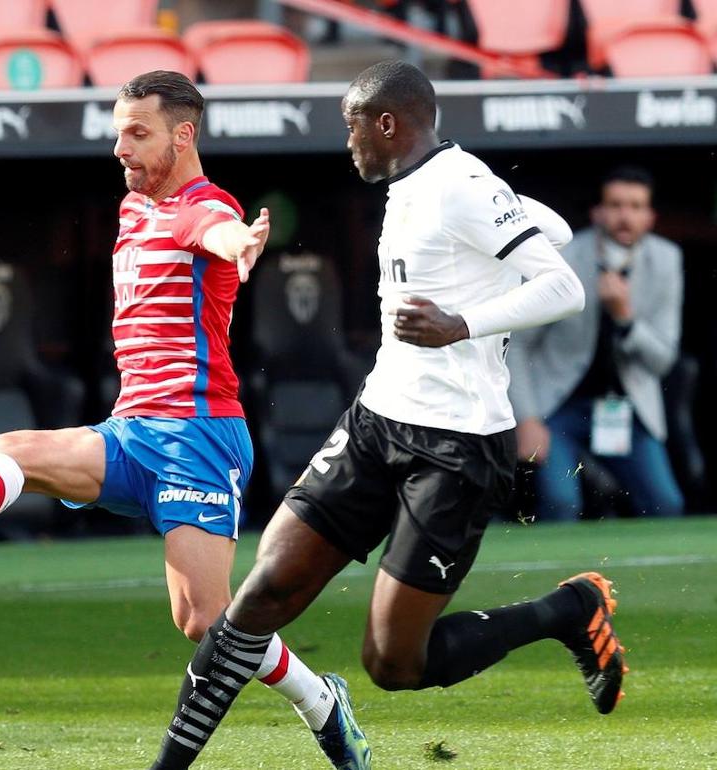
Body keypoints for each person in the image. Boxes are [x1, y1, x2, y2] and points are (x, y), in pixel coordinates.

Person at [0, 71, 369, 768]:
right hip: (132, 431)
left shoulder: (203, 206)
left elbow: (218, 231)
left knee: (205, 622)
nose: (120, 147)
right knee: (10, 450)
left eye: (137, 133)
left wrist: (241, 245)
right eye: (117, 132)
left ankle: (321, 701)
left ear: (184, 136)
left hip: (197, 437)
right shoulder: (133, 208)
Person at [145, 61, 626, 770]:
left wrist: (461, 323)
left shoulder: (461, 186)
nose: (348, 142)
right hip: (377, 422)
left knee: (393, 662)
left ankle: (568, 610)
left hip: (459, 448)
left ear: (389, 124)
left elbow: (564, 287)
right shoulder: (418, 185)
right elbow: (534, 226)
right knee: (258, 597)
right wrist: (518, 220)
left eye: (352, 126)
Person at [509, 166, 685, 521]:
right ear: (598, 212)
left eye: (636, 207)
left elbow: (663, 361)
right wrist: (526, 418)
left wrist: (625, 319)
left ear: (650, 217)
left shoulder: (666, 260)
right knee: (561, 502)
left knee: (666, 503)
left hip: (628, 409)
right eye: (616, 205)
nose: (625, 216)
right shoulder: (565, 256)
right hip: (559, 407)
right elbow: (518, 343)